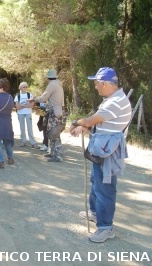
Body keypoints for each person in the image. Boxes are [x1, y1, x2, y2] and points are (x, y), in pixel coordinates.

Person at [69, 67, 131, 243]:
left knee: (105, 189)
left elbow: (90, 120)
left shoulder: (115, 102)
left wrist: (76, 123)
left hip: (108, 153)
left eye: (96, 83)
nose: (95, 87)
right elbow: (99, 121)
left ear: (104, 83)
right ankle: (95, 213)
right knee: (96, 182)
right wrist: (84, 127)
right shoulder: (113, 98)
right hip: (103, 149)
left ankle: (106, 227)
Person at [29, 69, 66, 162]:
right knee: (53, 132)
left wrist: (34, 99)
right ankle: (53, 152)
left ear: (48, 77)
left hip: (54, 112)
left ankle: (57, 155)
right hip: (58, 110)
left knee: (54, 133)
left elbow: (43, 98)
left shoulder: (52, 85)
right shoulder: (58, 84)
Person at [14, 82, 39, 149]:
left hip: (28, 113)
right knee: (22, 128)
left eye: (26, 87)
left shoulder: (30, 95)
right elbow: (17, 107)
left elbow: (31, 105)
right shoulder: (18, 96)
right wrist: (26, 106)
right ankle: (23, 141)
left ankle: (33, 142)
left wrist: (22, 105)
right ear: (20, 88)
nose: (25, 88)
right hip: (20, 113)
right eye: (23, 87)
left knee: (30, 128)